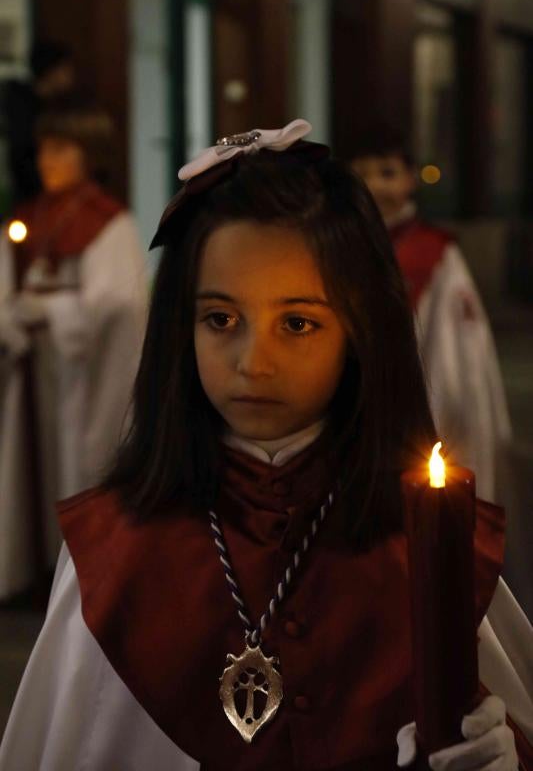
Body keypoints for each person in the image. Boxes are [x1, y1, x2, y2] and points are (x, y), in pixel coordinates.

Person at [0, 121, 531, 770]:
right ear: (180, 327)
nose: (253, 362)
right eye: (221, 319)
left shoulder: (426, 545)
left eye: (298, 323)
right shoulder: (112, 553)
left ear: (360, 331)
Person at [0, 100, 148, 600]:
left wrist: (51, 311)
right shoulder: (28, 217)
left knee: (74, 465)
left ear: (90, 152)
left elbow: (120, 303)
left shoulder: (107, 222)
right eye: (44, 147)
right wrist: (12, 317)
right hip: (29, 371)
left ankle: (75, 578)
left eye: (61, 147)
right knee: (26, 470)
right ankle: (29, 570)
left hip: (79, 378)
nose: (48, 159)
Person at [349, 124, 512, 505]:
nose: (375, 185)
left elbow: (454, 357)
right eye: (363, 174)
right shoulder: (344, 244)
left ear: (411, 179)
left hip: (420, 409)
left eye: (387, 173)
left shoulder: (435, 254)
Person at [3, 40, 77, 205]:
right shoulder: (23, 109)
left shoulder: (54, 106)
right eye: (66, 69)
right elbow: (21, 153)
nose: (71, 76)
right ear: (51, 72)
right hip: (32, 194)